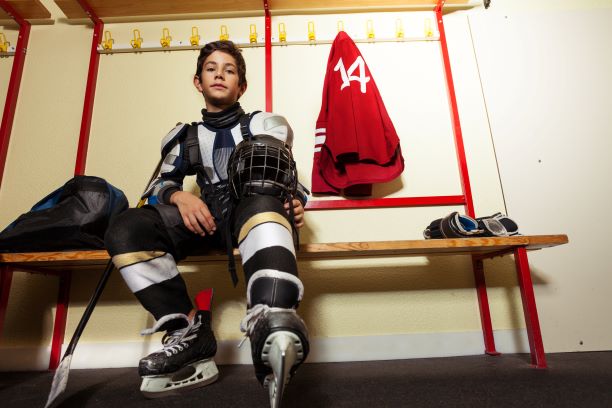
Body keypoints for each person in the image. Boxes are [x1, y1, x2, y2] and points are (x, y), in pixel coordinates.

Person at [105, 40, 309, 407]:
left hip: (253, 210)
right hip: (206, 220)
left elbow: (287, 179)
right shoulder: (183, 137)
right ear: (198, 81)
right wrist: (180, 197)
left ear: (241, 87)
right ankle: (186, 331)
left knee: (263, 198)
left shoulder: (263, 125)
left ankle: (272, 314)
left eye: (230, 70)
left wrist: (295, 202)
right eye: (211, 68)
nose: (220, 74)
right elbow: (160, 185)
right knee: (126, 227)